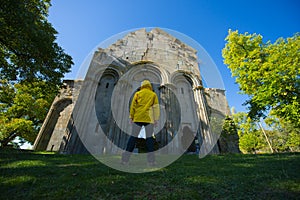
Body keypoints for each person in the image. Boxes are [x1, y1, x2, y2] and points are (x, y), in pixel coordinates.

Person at [121, 80, 160, 166]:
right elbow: (156, 107)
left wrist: (131, 117)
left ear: (142, 86)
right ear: (150, 86)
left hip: (137, 118)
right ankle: (151, 161)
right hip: (149, 119)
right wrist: (156, 119)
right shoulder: (153, 94)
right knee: (150, 139)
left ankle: (125, 160)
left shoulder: (138, 93)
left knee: (133, 138)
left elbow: (133, 106)